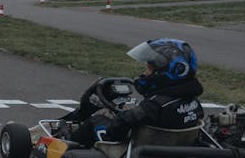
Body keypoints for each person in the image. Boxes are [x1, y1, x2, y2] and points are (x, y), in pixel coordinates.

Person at [69, 38, 204, 145]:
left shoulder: (154, 106)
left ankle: (69, 144)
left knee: (96, 120)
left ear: (173, 71)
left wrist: (119, 116)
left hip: (144, 151)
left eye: (149, 69)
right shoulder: (193, 102)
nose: (144, 73)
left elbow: (120, 126)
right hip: (175, 146)